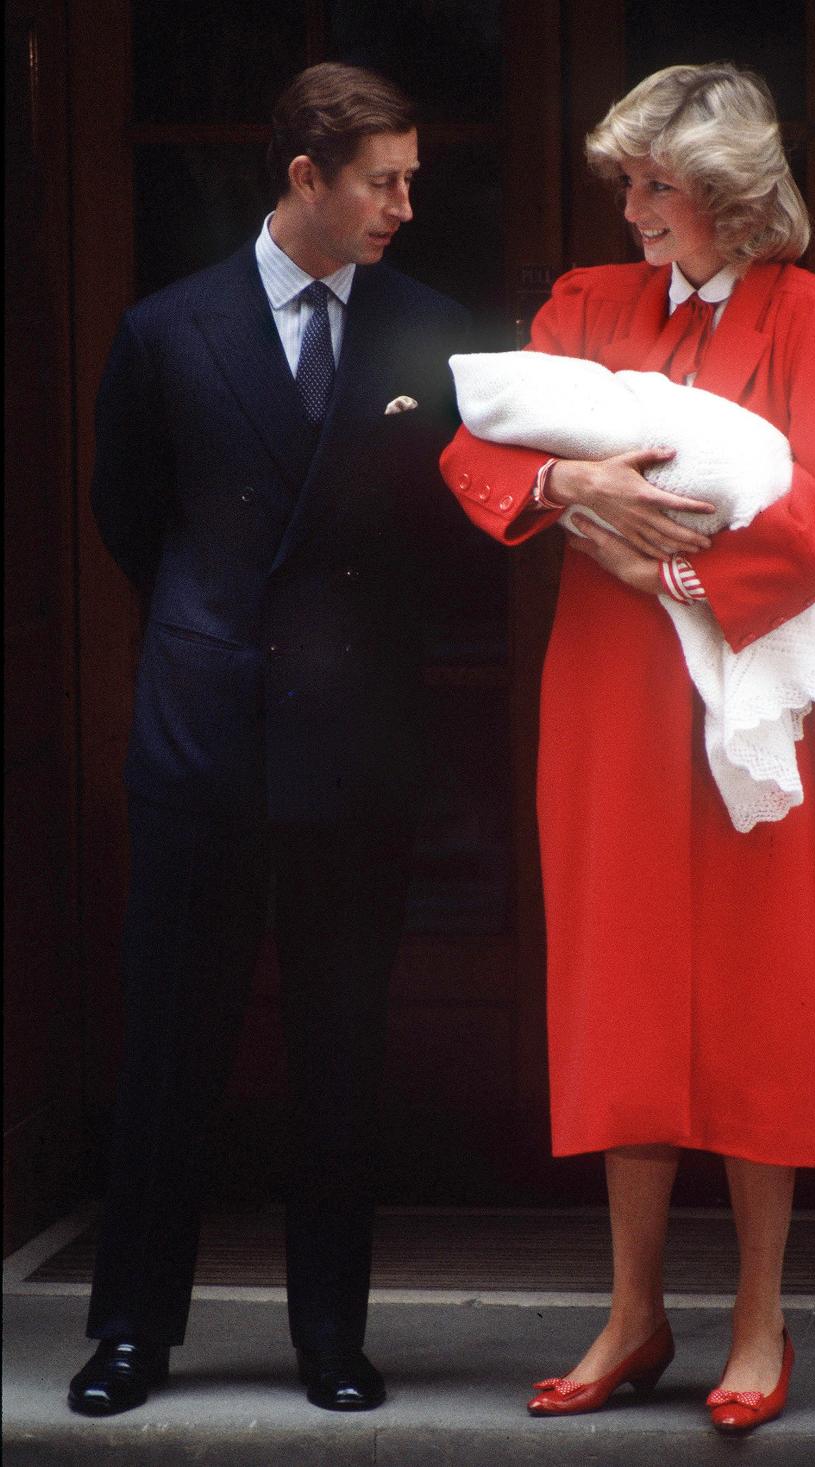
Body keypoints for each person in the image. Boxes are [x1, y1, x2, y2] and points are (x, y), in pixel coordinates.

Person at [441, 62, 815, 1434]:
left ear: (732, 198)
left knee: (761, 991)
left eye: (655, 188)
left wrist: (681, 581)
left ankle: (760, 1319)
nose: (632, 212)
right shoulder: (585, 304)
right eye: (626, 186)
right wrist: (564, 484)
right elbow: (475, 450)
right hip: (606, 701)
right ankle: (635, 1313)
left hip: (751, 692)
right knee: (621, 985)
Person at [68, 61, 469, 1418]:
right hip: (204, 735)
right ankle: (129, 1333)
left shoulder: (431, 331)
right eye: (385, 179)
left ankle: (330, 1339)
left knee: (342, 1051)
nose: (408, 205)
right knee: (169, 1044)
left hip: (355, 739)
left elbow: (451, 536)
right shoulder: (169, 330)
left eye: (411, 176)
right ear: (306, 177)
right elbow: (133, 516)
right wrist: (215, 637)